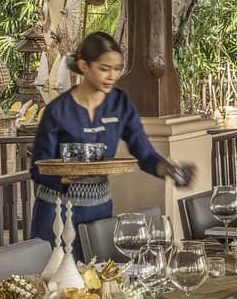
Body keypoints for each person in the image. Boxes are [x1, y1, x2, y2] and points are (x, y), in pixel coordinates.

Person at [29, 32, 191, 253]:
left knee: (100, 278)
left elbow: (144, 153)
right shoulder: (57, 110)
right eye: (104, 68)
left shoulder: (120, 104)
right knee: (57, 283)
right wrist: (67, 175)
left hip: (98, 210)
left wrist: (171, 170)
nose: (112, 76)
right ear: (84, 66)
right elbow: (38, 168)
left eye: (117, 69)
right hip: (56, 213)